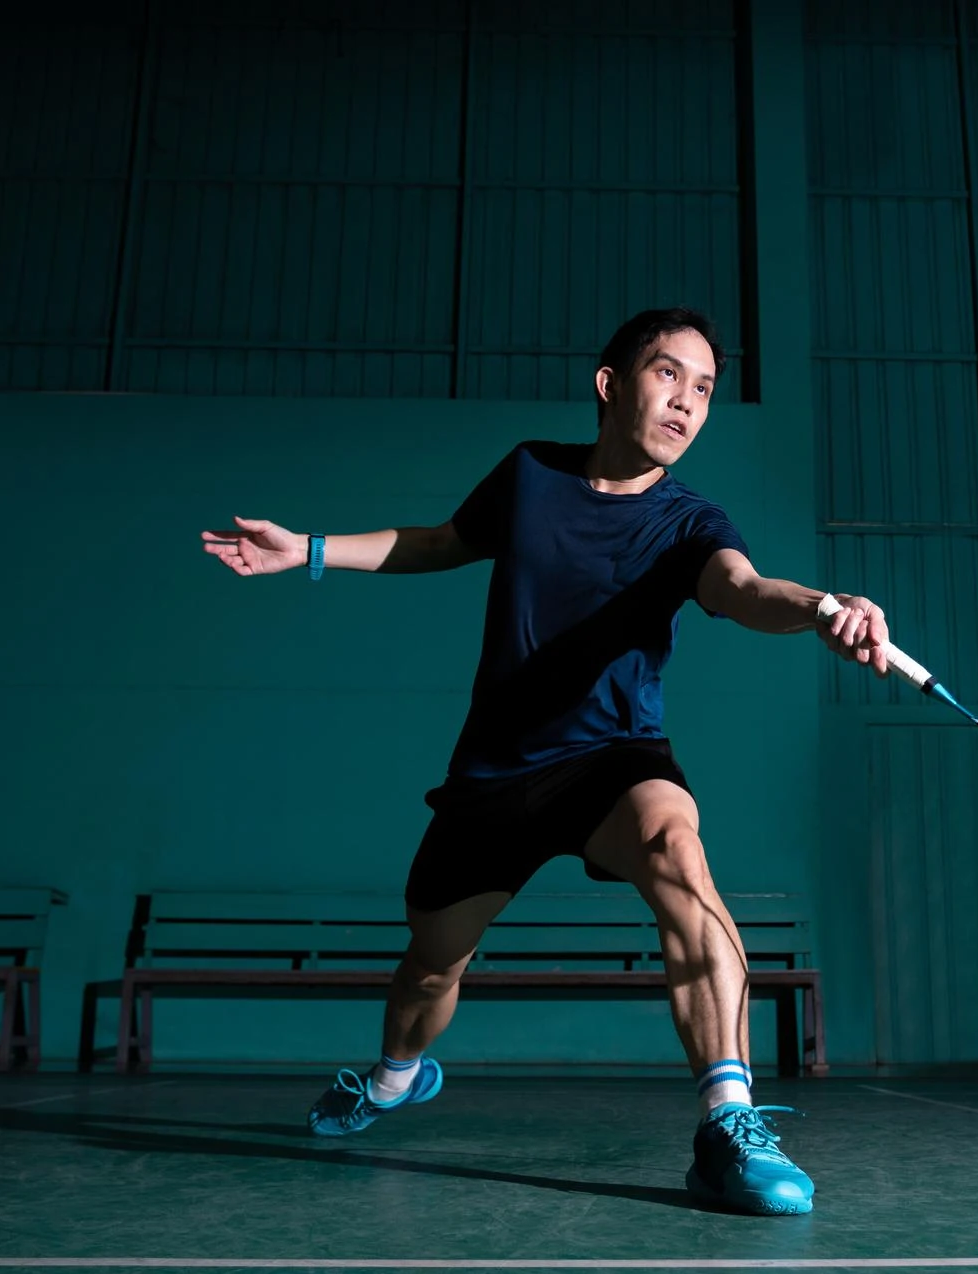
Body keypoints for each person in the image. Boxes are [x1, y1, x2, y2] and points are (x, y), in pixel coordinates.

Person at [199, 307, 890, 1217]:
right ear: (612, 384)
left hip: (614, 756)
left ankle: (731, 1124)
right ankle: (399, 1075)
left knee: (678, 851)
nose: (687, 401)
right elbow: (444, 542)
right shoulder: (530, 474)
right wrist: (313, 551)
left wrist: (821, 606)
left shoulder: (691, 523)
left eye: (706, 388)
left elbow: (746, 589)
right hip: (495, 775)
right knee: (430, 969)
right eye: (668, 374)